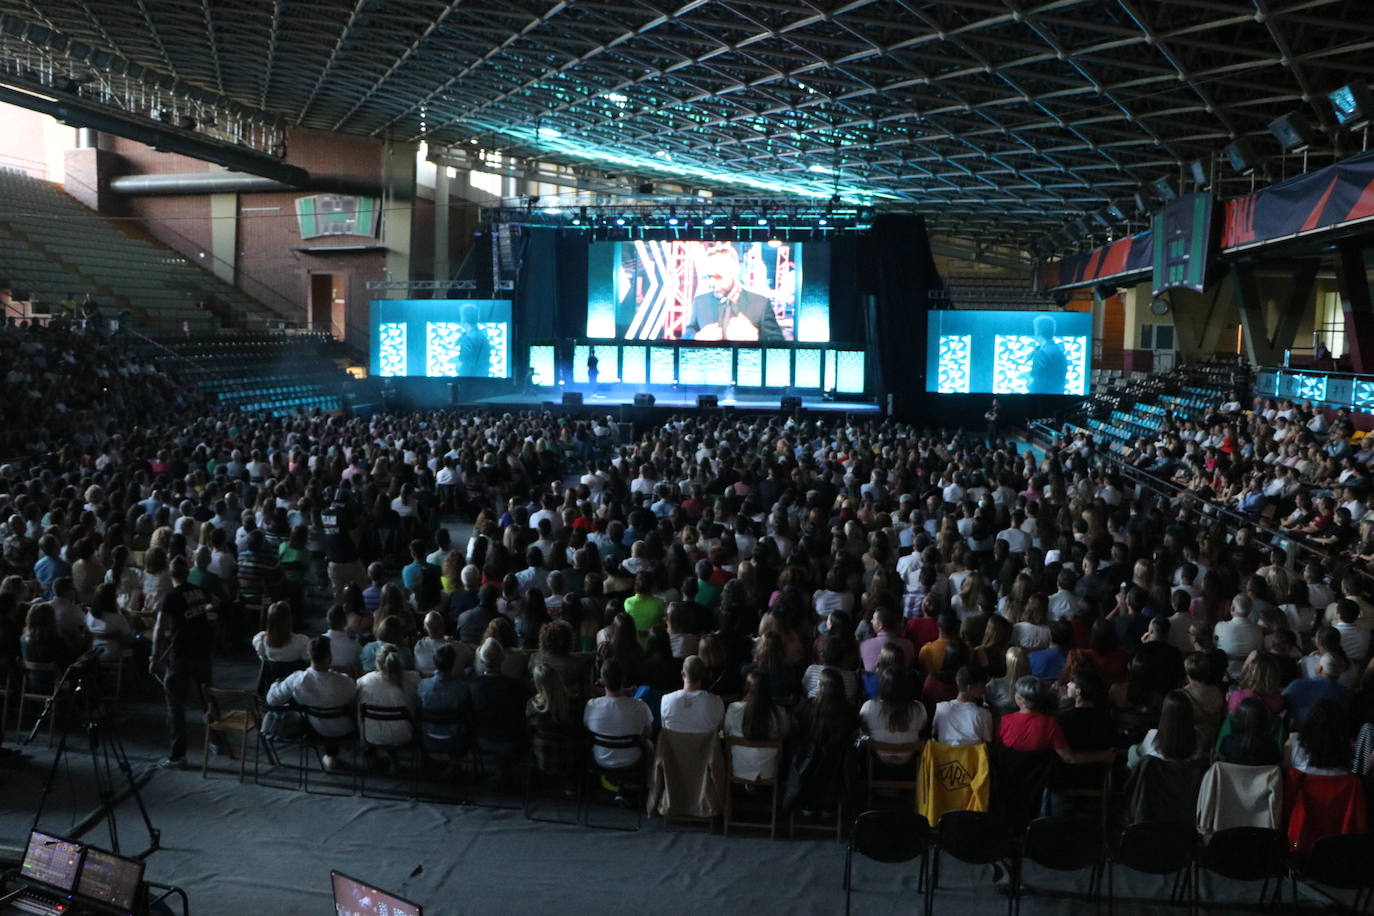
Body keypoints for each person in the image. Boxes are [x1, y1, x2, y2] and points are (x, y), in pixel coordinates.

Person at [150, 556, 216, 769]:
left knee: (175, 705)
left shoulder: (170, 598)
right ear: (187, 572)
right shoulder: (199, 591)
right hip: (203, 652)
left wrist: (154, 656)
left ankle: (178, 755)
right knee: (208, 698)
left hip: (181, 655)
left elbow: (159, 628)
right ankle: (217, 740)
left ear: (171, 574)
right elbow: (215, 604)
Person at [265, 636, 357, 769]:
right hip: (346, 729)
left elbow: (272, 700)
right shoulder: (345, 681)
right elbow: (355, 697)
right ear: (329, 657)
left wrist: (276, 684)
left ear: (309, 655)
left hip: (316, 730)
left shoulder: (297, 680)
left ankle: (330, 756)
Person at [685, 244, 784, 342]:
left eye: (719, 270)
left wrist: (755, 339)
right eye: (710, 274)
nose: (714, 278)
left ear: (736, 269)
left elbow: (779, 347)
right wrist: (697, 337)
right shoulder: (700, 301)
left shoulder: (760, 303)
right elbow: (686, 336)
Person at [583, 659, 654, 769]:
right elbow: (648, 732)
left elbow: (588, 729)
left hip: (600, 760)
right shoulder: (640, 706)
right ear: (624, 679)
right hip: (633, 760)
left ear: (601, 681)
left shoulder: (591, 706)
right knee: (650, 745)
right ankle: (651, 783)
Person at [723, 670, 788, 781]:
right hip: (769, 770)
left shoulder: (734, 709)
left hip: (739, 767)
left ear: (746, 688)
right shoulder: (780, 712)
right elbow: (785, 733)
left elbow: (726, 732)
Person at [417, 643, 473, 756]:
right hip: (456, 740)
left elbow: (417, 709)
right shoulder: (462, 688)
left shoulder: (423, 685)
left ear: (435, 662)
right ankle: (453, 766)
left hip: (427, 737)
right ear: (453, 663)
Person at [660, 655, 725, 734]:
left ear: (683, 674)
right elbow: (720, 728)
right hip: (705, 746)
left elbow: (664, 727)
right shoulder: (716, 702)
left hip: (675, 746)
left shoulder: (666, 700)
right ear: (703, 674)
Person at [932, 665, 993, 746]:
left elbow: (934, 732)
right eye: (982, 686)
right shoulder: (984, 714)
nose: (985, 690)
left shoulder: (940, 708)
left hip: (944, 756)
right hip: (971, 757)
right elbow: (987, 740)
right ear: (969, 688)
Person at [1027, 314, 1068, 394]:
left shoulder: (1041, 353)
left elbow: (1037, 381)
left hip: (1042, 398)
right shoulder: (1059, 351)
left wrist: (1028, 381)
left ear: (1037, 332)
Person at [456, 304, 491, 377]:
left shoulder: (468, 338)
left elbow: (465, 363)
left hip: (468, 381)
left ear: (463, 318)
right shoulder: (482, 337)